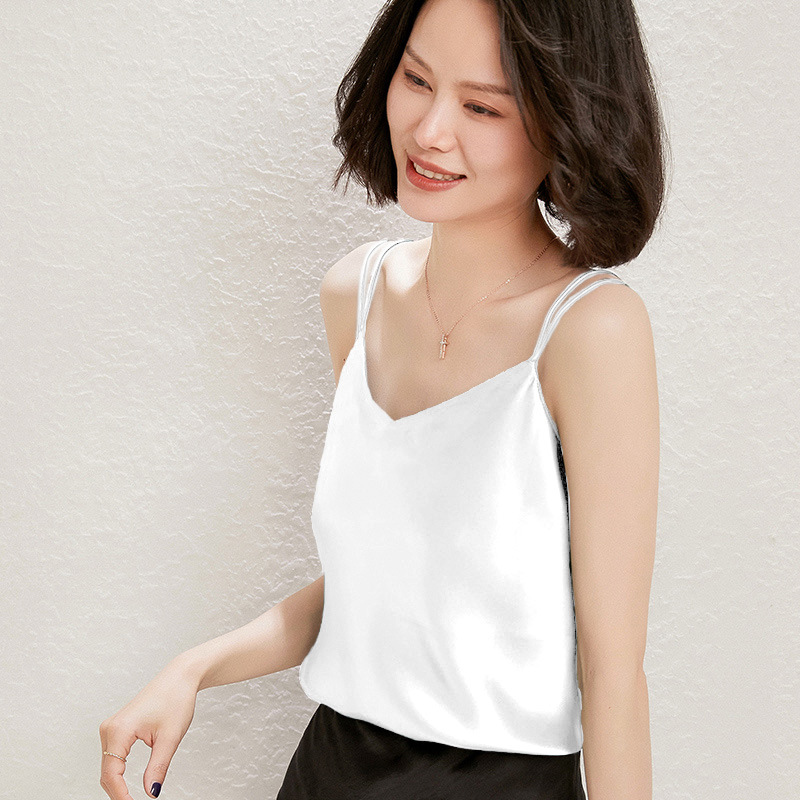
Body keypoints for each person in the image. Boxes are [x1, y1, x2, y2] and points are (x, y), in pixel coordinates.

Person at [99, 0, 665, 797]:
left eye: (482, 107)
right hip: (329, 769)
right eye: (416, 80)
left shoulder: (590, 330)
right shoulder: (355, 295)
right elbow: (382, 591)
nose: (430, 132)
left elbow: (614, 670)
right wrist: (194, 667)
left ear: (565, 120)